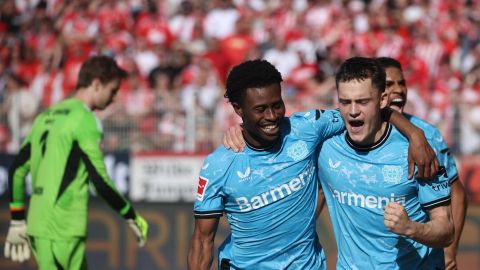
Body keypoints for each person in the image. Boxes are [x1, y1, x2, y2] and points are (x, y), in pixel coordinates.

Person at [189, 59, 438, 269]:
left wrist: (415, 134)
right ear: (238, 109)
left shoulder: (308, 128)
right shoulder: (219, 165)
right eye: (260, 109)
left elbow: (366, 107)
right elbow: (202, 240)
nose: (272, 116)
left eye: (277, 105)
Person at [4, 56, 148, 269]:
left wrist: (17, 219)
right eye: (113, 90)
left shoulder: (46, 115)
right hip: (64, 225)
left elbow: (16, 170)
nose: (114, 98)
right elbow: (99, 180)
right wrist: (129, 214)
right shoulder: (85, 120)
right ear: (97, 84)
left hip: (38, 225)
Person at [316, 57, 454, 269]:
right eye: (345, 102)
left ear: (382, 100)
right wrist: (242, 130)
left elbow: (446, 229)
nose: (353, 111)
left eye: (362, 101)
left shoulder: (418, 152)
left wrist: (411, 228)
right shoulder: (325, 146)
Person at [377, 56, 467, 270]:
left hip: (422, 259)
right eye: (389, 84)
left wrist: (450, 250)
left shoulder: (429, 134)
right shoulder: (354, 135)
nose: (398, 89)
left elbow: (457, 193)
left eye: (402, 83)